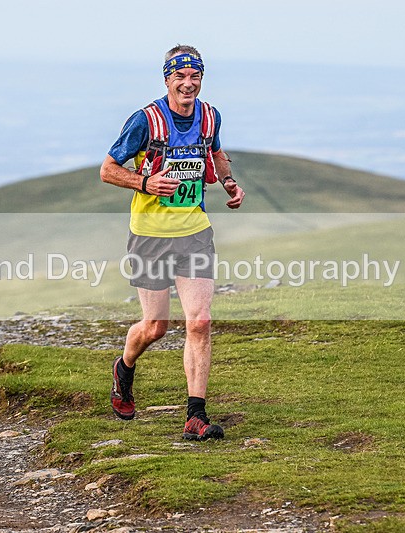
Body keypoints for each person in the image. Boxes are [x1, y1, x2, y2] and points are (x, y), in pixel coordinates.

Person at [100, 44, 245, 440]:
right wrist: (145, 182)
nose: (187, 83)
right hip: (149, 235)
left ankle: (195, 415)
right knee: (156, 326)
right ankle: (124, 368)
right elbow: (108, 170)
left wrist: (229, 181)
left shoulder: (210, 115)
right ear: (167, 79)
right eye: (179, 77)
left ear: (201, 78)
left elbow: (215, 151)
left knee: (200, 321)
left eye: (194, 76)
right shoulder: (146, 120)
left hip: (194, 232)